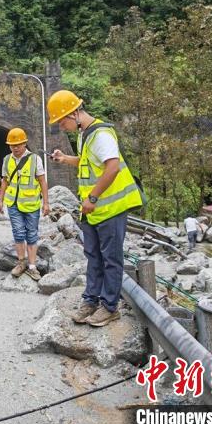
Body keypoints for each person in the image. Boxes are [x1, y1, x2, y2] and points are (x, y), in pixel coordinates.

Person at [48, 90, 143, 327]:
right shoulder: (85, 134)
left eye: (62, 121)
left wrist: (92, 197)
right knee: (93, 256)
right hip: (93, 210)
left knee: (111, 259)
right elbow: (87, 161)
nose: (62, 126)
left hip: (108, 208)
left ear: (75, 113)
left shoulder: (101, 134)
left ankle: (110, 307)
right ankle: (90, 300)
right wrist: (65, 159)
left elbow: (112, 168)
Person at [0, 128, 50, 280]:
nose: (15, 148)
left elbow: (42, 181)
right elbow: (5, 181)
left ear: (25, 143)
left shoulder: (35, 159)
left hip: (31, 204)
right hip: (13, 204)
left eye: (18, 144)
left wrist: (46, 203)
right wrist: (0, 201)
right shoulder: (7, 160)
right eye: (12, 145)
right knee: (18, 233)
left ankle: (32, 266)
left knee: (32, 234)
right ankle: (21, 263)